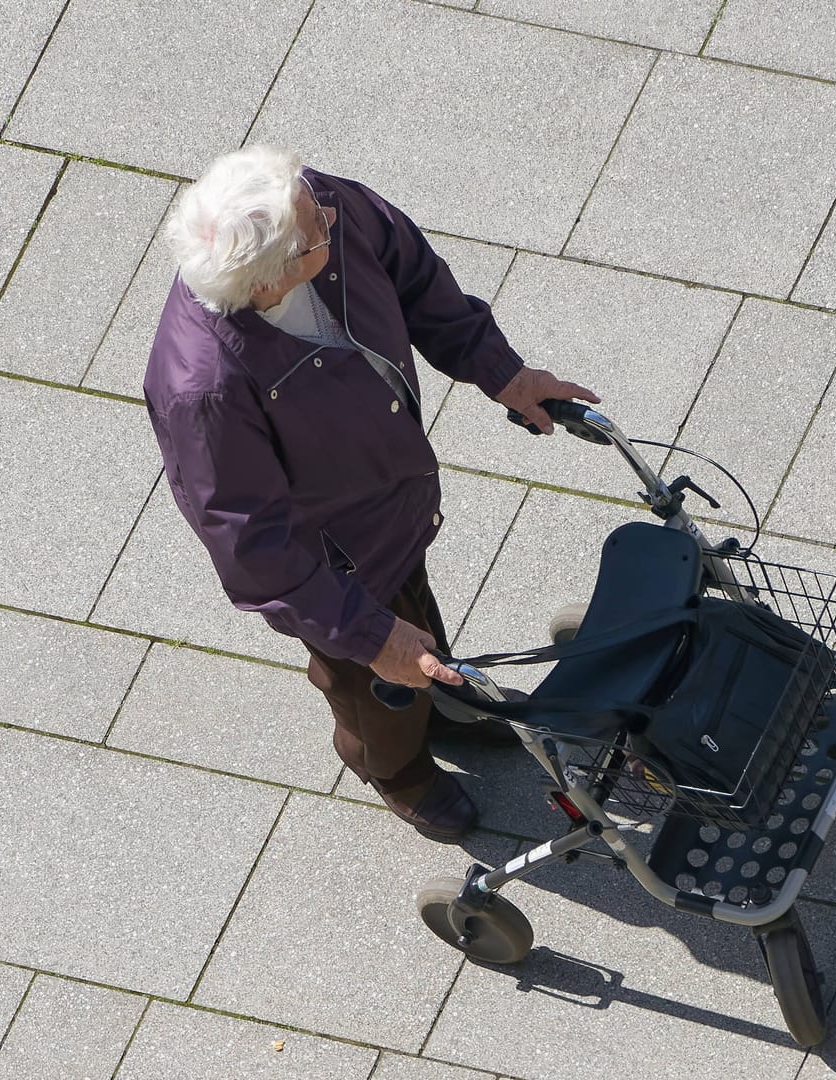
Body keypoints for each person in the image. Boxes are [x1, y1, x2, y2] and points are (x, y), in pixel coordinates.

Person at [143, 145, 597, 841]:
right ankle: (395, 767)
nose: (332, 210)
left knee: (418, 616)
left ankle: (444, 702)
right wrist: (368, 634)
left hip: (390, 500)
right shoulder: (202, 389)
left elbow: (415, 277)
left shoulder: (306, 202)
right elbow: (254, 547)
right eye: (317, 226)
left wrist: (501, 371)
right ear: (270, 283)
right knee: (372, 689)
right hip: (333, 574)